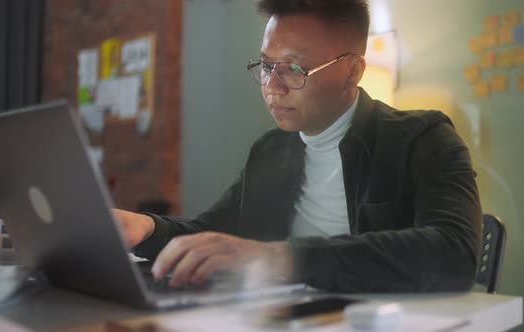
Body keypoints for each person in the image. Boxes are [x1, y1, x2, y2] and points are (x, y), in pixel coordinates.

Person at [115, 0, 482, 293]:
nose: (272, 87)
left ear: (352, 71)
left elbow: (454, 253)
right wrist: (144, 228)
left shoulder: (422, 138)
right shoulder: (272, 151)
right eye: (266, 65)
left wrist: (282, 258)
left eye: (293, 69)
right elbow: (213, 234)